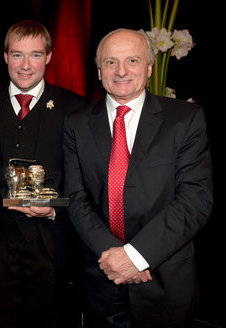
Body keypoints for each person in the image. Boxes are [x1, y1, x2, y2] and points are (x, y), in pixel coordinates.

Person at [63, 28, 213, 327]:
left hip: (164, 280)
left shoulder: (185, 119)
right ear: (98, 68)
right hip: (100, 279)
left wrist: (136, 256)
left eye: (132, 60)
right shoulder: (76, 124)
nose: (121, 71)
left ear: (148, 66)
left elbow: (194, 200)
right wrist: (115, 257)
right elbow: (76, 198)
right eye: (110, 62)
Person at [0, 20, 86, 327]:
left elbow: (81, 178)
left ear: (48, 57)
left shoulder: (74, 107)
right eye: (17, 55)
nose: (25, 65)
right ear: (5, 56)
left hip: (49, 241)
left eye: (35, 55)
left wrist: (54, 209)